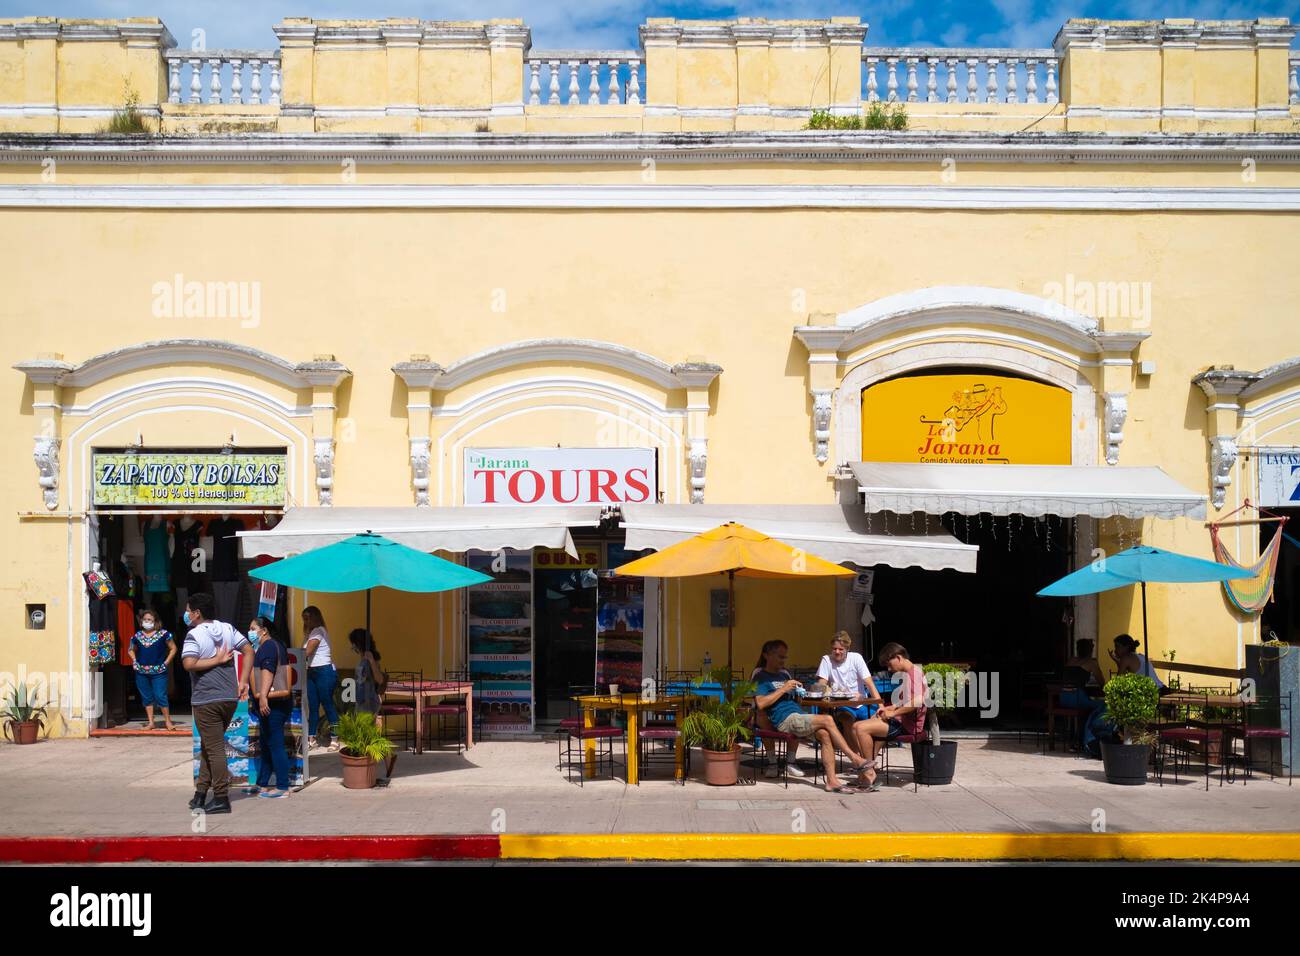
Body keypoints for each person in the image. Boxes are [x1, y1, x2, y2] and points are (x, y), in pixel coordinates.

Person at [752, 639, 874, 794]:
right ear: (767, 655)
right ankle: (855, 759)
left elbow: (795, 700)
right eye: (780, 657)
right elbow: (761, 703)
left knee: (824, 734)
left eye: (785, 657)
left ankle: (831, 781)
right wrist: (783, 689)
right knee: (827, 719)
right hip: (785, 720)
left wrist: (798, 692)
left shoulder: (784, 674)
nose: (784, 660)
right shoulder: (761, 676)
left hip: (798, 715)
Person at [181, 592, 253, 814]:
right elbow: (249, 650)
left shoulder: (193, 635)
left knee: (214, 749)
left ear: (197, 613)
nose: (186, 614)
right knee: (208, 745)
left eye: (188, 610)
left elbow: (188, 664)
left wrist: (216, 660)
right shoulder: (227, 628)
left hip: (207, 699)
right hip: (228, 698)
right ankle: (201, 794)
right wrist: (243, 681)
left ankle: (221, 797)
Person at [857, 642, 927, 778]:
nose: (889, 669)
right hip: (903, 722)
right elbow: (908, 699)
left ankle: (868, 772)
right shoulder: (911, 672)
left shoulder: (914, 675)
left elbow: (917, 702)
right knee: (861, 725)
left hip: (907, 726)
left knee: (860, 728)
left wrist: (893, 713)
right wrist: (892, 707)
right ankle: (868, 767)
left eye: (889, 664)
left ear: (899, 657)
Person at [812, 631, 881, 760]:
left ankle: (870, 758)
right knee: (846, 719)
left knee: (881, 721)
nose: (837, 652)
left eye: (840, 649)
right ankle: (859, 758)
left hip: (861, 703)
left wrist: (880, 705)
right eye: (834, 649)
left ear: (847, 649)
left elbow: (869, 683)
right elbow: (821, 684)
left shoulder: (856, 658)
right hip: (842, 704)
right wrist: (823, 689)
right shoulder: (827, 660)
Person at [250, 616, 293, 798]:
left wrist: (263, 697)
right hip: (275, 704)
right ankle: (263, 783)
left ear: (264, 630)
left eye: (253, 628)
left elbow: (268, 671)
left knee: (275, 744)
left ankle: (283, 786)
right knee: (267, 744)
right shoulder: (276, 645)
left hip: (273, 705)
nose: (250, 632)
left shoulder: (267, 646)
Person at [349, 628, 396, 780]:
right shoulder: (363, 658)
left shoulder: (370, 658)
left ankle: (368, 769)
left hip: (368, 702)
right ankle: (387, 757)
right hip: (362, 701)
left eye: (353, 644)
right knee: (369, 736)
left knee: (366, 737)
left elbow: (380, 679)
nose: (352, 647)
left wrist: (370, 661)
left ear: (359, 643)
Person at [127, 607, 177, 731]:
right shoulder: (137, 636)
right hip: (141, 672)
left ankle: (168, 721)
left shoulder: (164, 634)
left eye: (150, 619)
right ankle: (151, 722)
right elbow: (130, 649)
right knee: (146, 697)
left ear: (155, 621)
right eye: (145, 619)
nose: (147, 621)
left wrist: (166, 662)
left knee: (160, 695)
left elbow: (173, 648)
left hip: (159, 671)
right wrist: (134, 661)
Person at [302, 605, 340, 751]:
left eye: (307, 618)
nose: (305, 621)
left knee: (327, 703)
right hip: (311, 671)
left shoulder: (318, 631)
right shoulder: (310, 634)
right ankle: (311, 738)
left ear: (315, 617)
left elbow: (307, 651)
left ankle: (335, 739)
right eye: (304, 618)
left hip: (324, 671)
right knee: (313, 705)